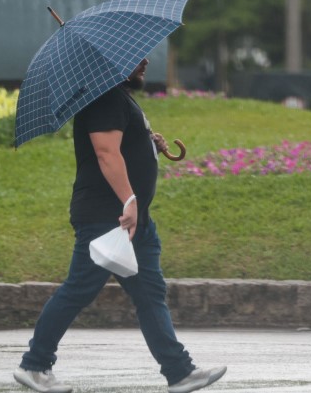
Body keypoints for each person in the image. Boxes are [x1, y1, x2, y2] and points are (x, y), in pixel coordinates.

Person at [14, 58, 227, 393]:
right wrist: (129, 200)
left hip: (131, 220)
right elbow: (105, 153)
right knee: (78, 290)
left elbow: (120, 146)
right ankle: (35, 366)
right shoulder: (103, 98)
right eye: (136, 59)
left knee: (149, 293)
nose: (145, 62)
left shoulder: (116, 96)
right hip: (108, 217)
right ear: (112, 62)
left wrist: (146, 142)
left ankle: (180, 372)